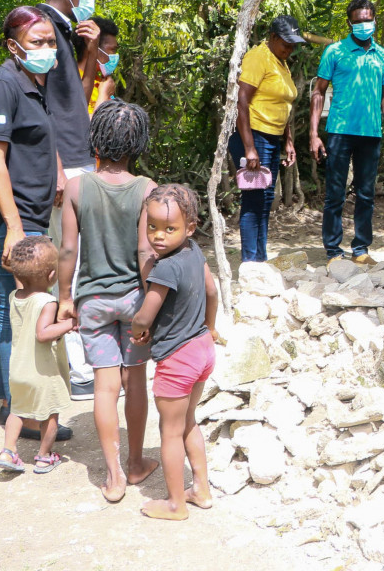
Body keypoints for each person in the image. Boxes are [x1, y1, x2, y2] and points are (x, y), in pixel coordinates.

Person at [0, 6, 71, 442]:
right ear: (13, 46)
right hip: (8, 220)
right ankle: (20, 411)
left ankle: (16, 403)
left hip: (32, 214)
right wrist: (13, 226)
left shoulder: (34, 82)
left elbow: (38, 136)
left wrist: (60, 171)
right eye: (38, 42)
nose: (47, 49)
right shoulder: (1, 83)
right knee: (20, 312)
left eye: (51, 41)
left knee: (20, 310)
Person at [57, 100, 159, 502]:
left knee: (104, 387)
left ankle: (113, 476)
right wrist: (151, 300)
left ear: (96, 140)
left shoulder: (79, 187)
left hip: (93, 301)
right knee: (135, 382)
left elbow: (67, 250)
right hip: (134, 299)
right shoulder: (146, 189)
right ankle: (136, 463)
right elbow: (145, 252)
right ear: (138, 144)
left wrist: (66, 298)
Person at [131, 184, 218, 520]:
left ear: (190, 228)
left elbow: (145, 314)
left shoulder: (164, 268)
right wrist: (210, 327)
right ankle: (201, 490)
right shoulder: (195, 251)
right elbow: (212, 291)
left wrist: (139, 329)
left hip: (178, 358)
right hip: (202, 350)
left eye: (170, 229)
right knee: (188, 422)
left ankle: (175, 503)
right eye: (152, 226)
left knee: (169, 432)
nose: (158, 236)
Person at [38, 0, 102, 400]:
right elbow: (40, 106)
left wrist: (91, 50)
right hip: (65, 163)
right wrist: (57, 166)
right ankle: (76, 369)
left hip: (80, 156)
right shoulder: (40, 26)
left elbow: (76, 100)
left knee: (80, 261)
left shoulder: (65, 31)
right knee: (69, 261)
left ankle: (78, 360)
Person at [310, 0, 384, 266]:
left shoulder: (382, 56)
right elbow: (319, 91)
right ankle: (333, 252)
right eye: (358, 20)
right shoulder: (335, 52)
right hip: (339, 131)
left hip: (371, 133)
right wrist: (314, 134)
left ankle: (361, 249)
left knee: (366, 194)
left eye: (368, 19)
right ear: (349, 22)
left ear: (374, 19)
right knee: (335, 193)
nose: (364, 24)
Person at [0, 236, 73, 474]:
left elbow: (21, 279)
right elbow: (43, 333)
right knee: (50, 414)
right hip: (41, 372)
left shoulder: (15, 296)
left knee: (17, 410)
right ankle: (44, 456)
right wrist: (69, 325)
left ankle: (8, 451)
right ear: (51, 276)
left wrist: (15, 266)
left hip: (18, 370)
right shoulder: (47, 302)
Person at [227, 14, 305, 261]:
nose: (290, 49)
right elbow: (241, 101)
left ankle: (260, 258)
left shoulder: (281, 62)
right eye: (286, 43)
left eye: (293, 45)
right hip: (254, 135)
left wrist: (288, 139)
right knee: (253, 198)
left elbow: (283, 104)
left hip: (273, 137)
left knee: (267, 198)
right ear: (273, 37)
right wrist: (250, 148)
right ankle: (250, 262)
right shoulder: (258, 57)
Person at [84, 18, 120, 116]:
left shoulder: (101, 82)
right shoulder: (72, 82)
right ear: (94, 47)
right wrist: (104, 94)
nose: (115, 55)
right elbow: (82, 126)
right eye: (112, 50)